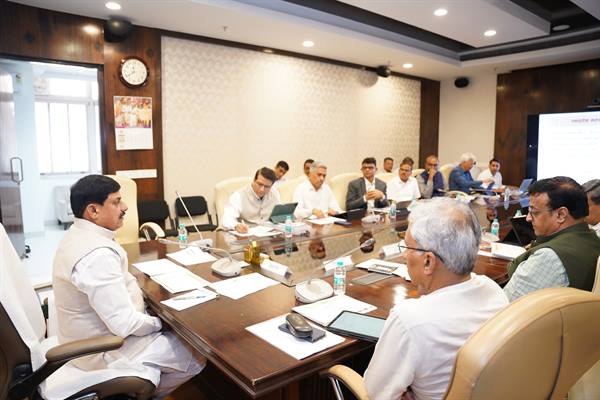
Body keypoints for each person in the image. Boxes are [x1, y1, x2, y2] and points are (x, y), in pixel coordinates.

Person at [52, 175, 204, 398]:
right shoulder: (97, 256)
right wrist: (162, 324)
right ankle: (134, 394)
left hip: (92, 337)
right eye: (116, 202)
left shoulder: (79, 235)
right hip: (102, 351)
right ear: (93, 211)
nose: (125, 207)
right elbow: (125, 324)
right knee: (196, 354)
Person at [364, 198, 508, 400]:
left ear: (428, 262)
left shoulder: (409, 320)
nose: (404, 256)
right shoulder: (493, 291)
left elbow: (375, 393)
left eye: (408, 248)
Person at [503, 177, 600, 302]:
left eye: (534, 212)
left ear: (561, 214)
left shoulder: (549, 257)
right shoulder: (592, 239)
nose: (528, 218)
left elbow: (504, 305)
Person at [221, 167, 281, 233]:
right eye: (260, 184)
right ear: (254, 180)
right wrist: (236, 225)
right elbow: (226, 218)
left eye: (267, 187)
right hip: (246, 234)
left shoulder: (274, 193)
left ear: (271, 186)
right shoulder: (239, 195)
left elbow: (278, 215)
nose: (262, 189)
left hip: (267, 233)